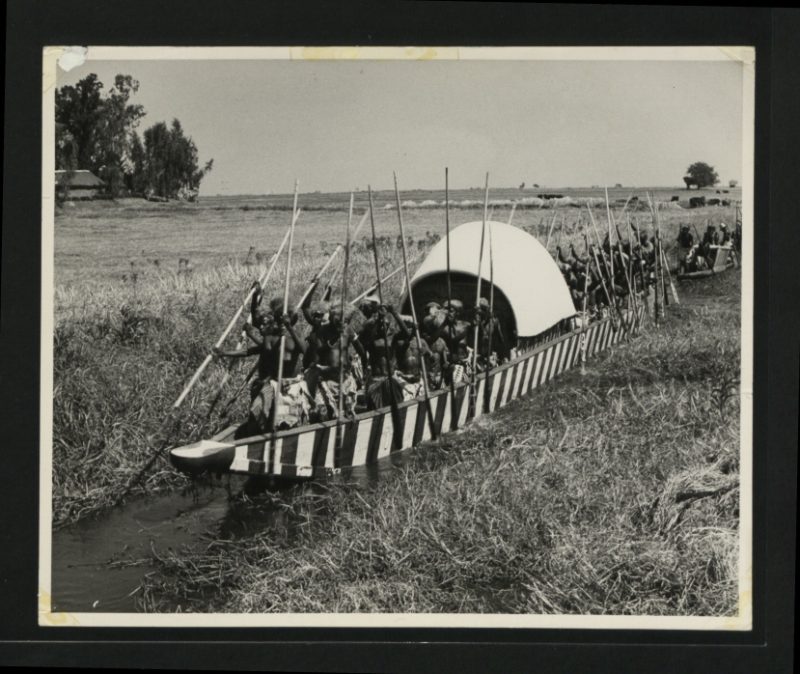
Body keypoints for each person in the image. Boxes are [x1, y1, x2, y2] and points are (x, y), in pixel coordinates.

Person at [213, 307, 309, 432]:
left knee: (290, 416)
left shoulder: (295, 336)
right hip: (273, 382)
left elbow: (304, 350)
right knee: (257, 408)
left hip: (292, 384)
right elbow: (250, 351)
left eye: (284, 323)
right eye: (279, 323)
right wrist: (224, 353)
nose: (281, 326)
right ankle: (261, 432)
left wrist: (289, 328)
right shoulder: (270, 339)